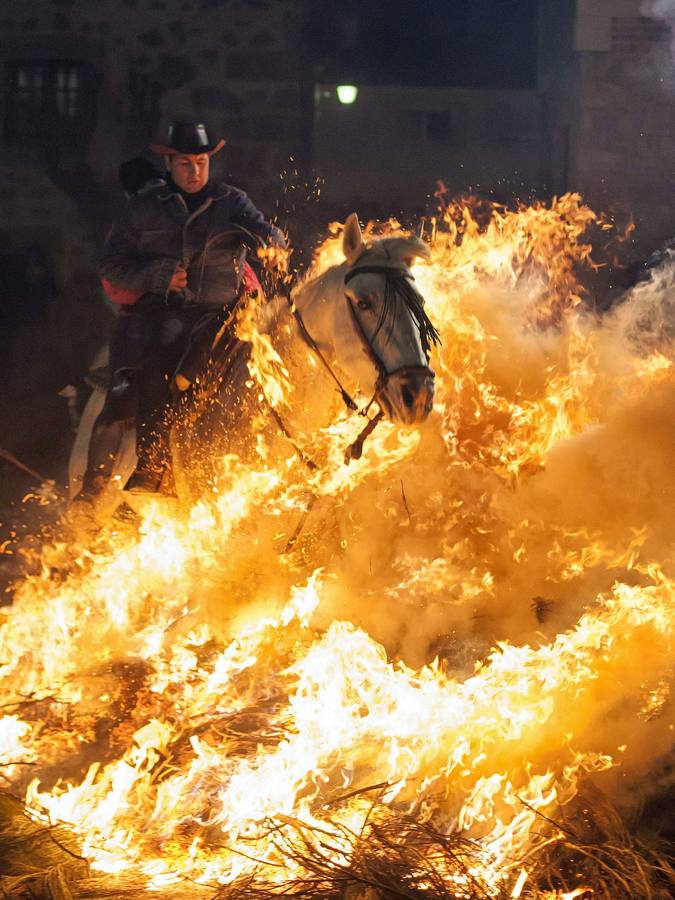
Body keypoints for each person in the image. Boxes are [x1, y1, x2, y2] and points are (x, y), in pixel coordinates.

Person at [94, 121, 285, 493]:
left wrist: (273, 246)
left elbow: (263, 230)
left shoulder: (233, 201)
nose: (195, 171)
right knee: (154, 372)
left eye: (201, 161)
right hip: (167, 315)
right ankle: (151, 468)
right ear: (169, 165)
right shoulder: (143, 208)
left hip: (225, 313)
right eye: (185, 163)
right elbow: (111, 265)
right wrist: (158, 275)